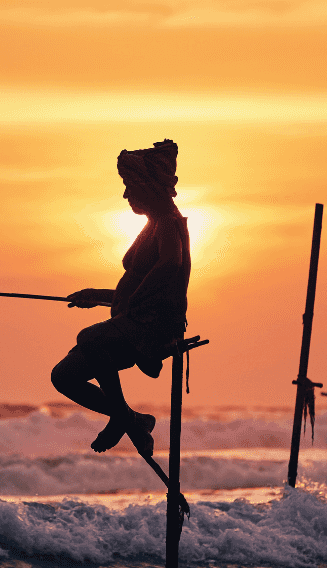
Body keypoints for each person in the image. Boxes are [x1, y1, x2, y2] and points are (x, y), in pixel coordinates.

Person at [51, 139, 191, 456]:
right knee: (64, 376)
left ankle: (120, 419)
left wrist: (134, 300)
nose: (127, 195)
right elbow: (140, 289)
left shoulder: (168, 223)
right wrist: (98, 295)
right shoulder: (153, 224)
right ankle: (133, 419)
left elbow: (171, 264)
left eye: (131, 187)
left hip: (152, 327)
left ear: (149, 187)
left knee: (90, 337)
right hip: (133, 321)